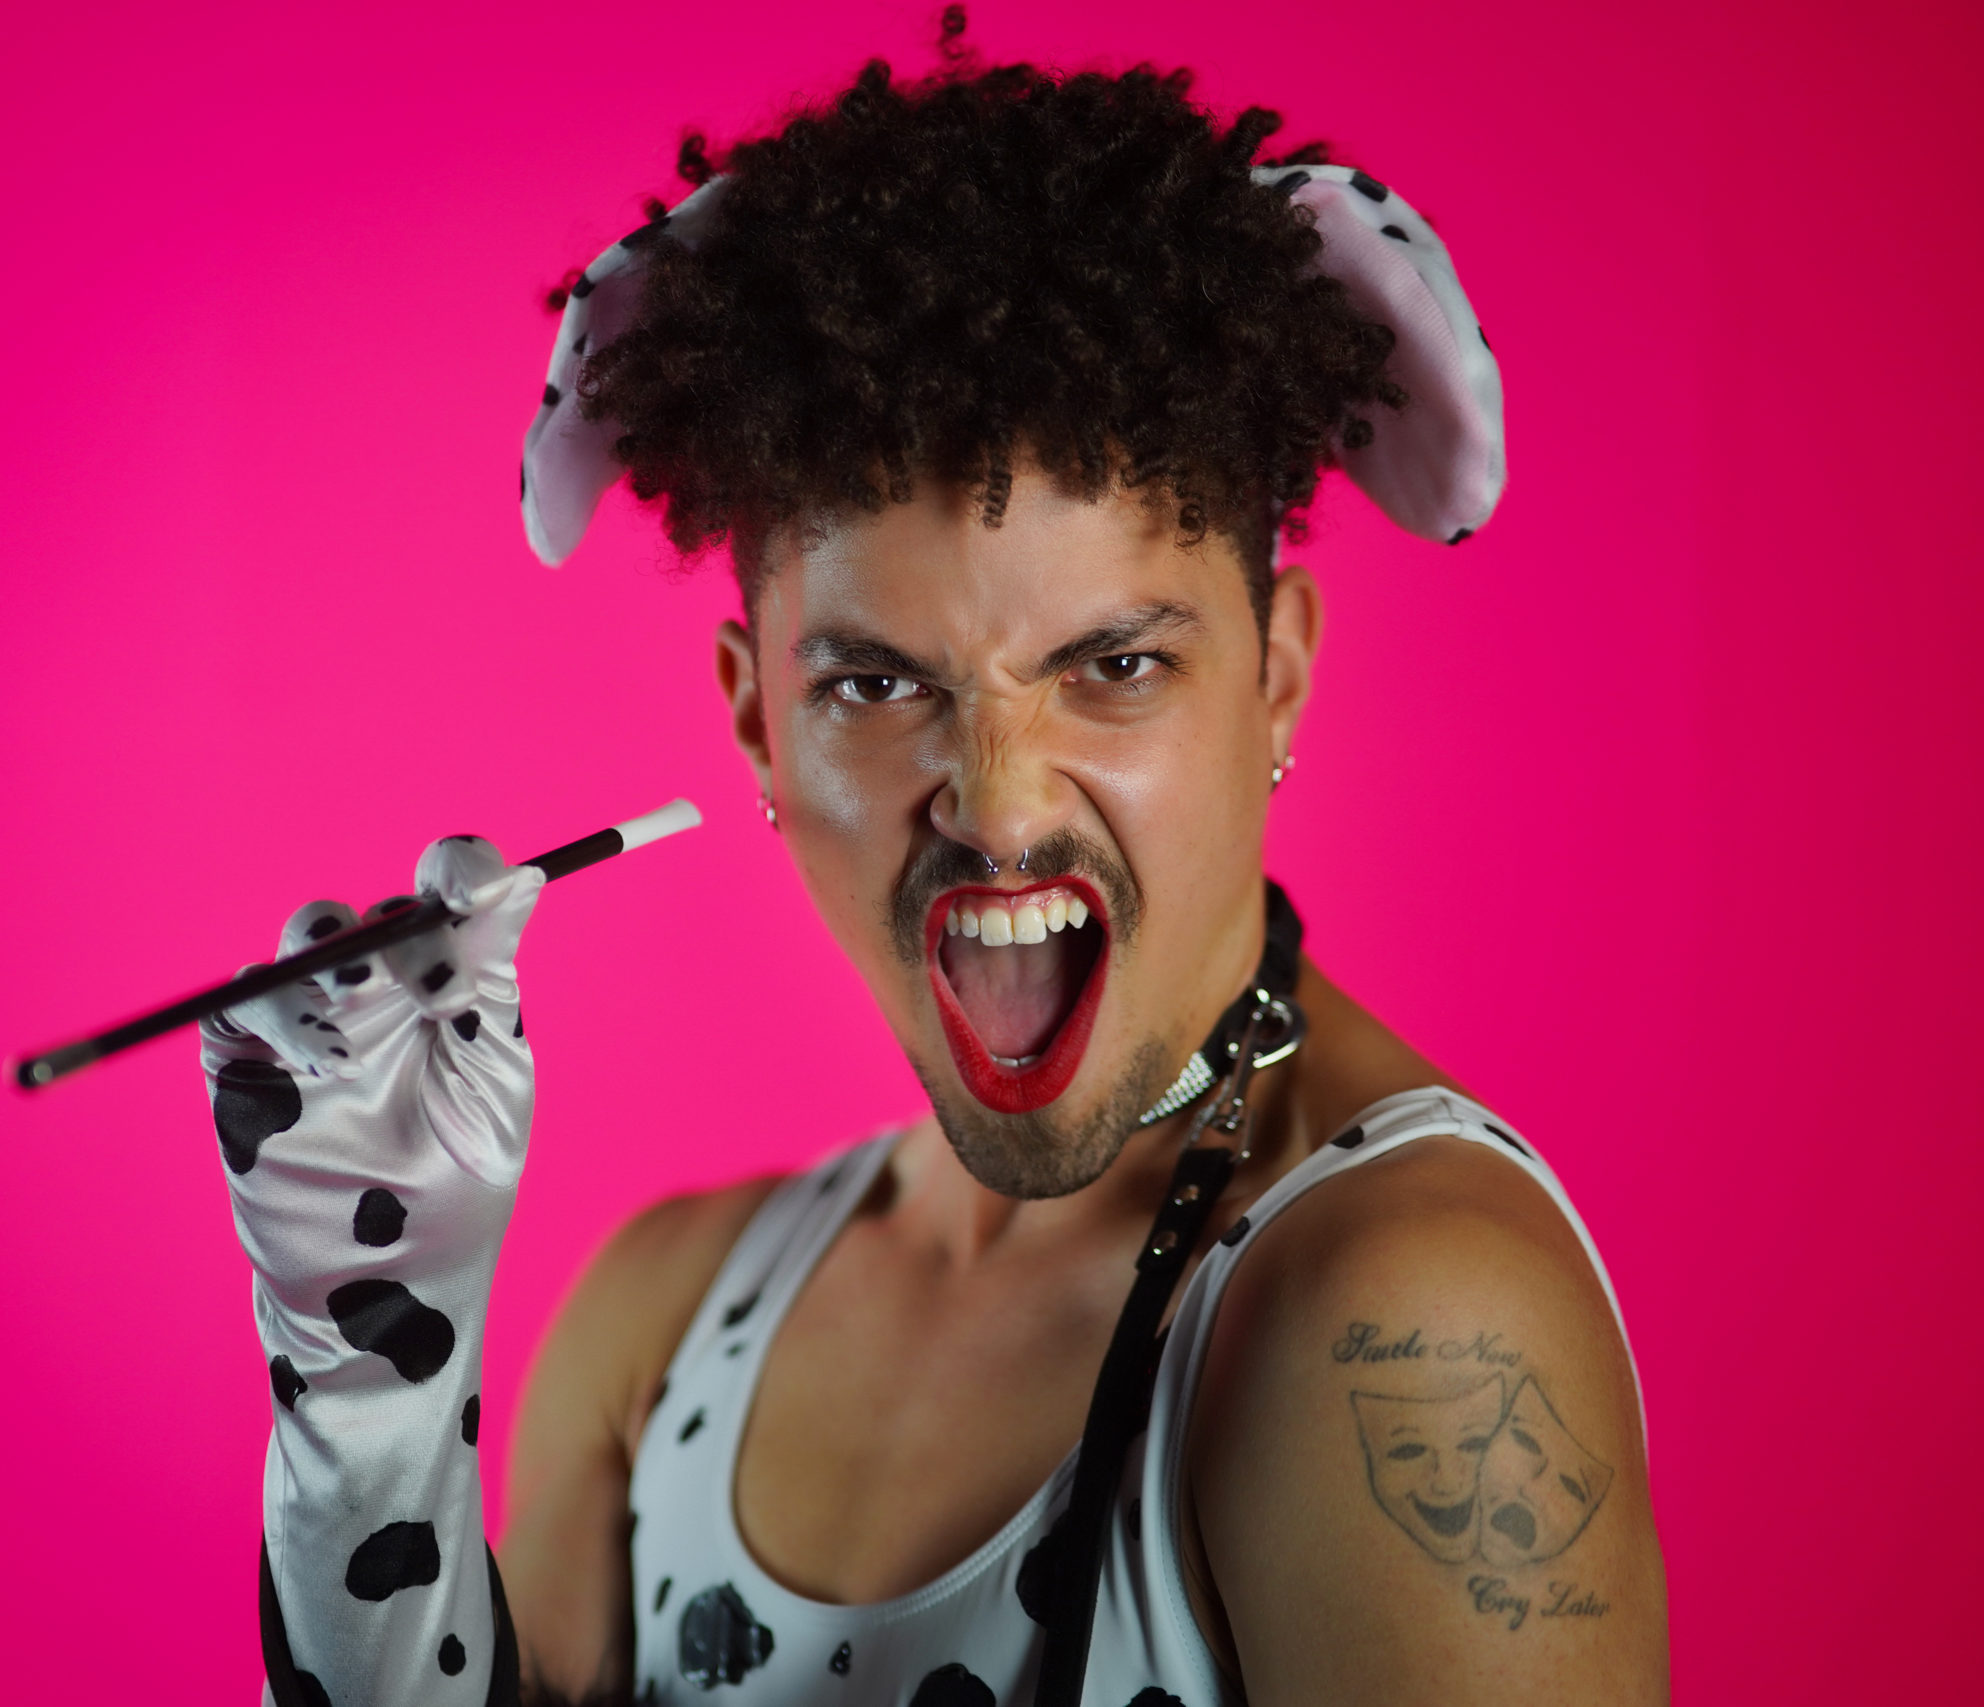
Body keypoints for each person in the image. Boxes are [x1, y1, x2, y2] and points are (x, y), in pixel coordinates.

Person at [200, 18, 1666, 1705]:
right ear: (758, 723)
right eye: (879, 687)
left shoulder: (1408, 1324)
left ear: (1276, 677)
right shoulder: (664, 1317)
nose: (1001, 803)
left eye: (1115, 666)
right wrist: (368, 1383)